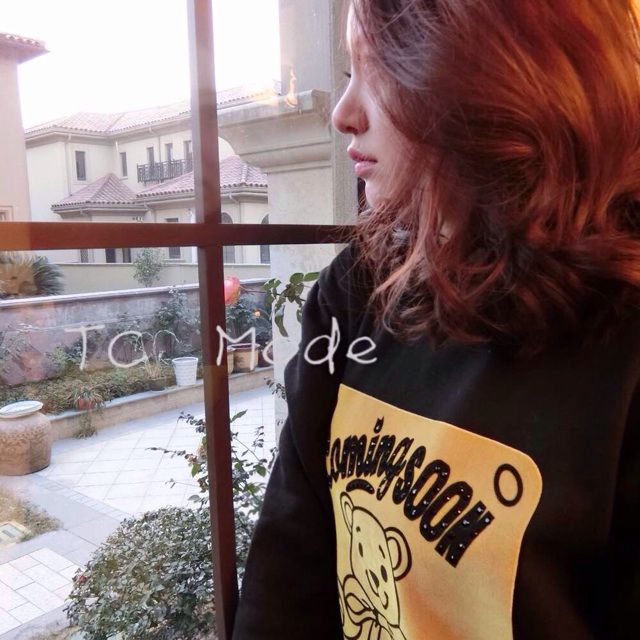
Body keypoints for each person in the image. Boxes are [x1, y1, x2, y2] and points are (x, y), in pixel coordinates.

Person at [232, 1, 640, 638]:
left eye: (379, 72)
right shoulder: (355, 289)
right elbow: (290, 556)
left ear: (499, 76)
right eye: (349, 73)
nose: (343, 113)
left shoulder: (622, 338)